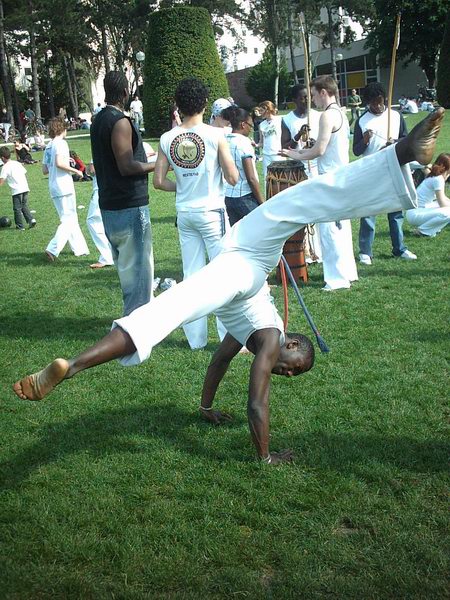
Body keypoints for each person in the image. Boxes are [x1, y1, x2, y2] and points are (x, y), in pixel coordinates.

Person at [12, 108, 445, 463]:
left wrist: (205, 408)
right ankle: (404, 151)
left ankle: (72, 365)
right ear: (292, 342)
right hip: (247, 263)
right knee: (303, 200)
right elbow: (256, 404)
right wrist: (265, 456)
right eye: (295, 363)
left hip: (238, 266)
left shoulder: (247, 334)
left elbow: (219, 364)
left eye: (291, 373)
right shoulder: (270, 338)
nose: (286, 370)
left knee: (170, 307)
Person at [154, 77, 238, 350]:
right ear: (204, 103)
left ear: (179, 104)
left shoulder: (168, 138)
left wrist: (182, 186)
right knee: (223, 275)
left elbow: (158, 181)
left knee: (192, 277)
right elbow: (233, 177)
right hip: (212, 211)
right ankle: (228, 335)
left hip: (186, 212)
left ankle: (196, 340)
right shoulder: (216, 135)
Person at [280, 75, 358, 291]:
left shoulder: (326, 116)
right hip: (341, 175)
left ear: (324, 92)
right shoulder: (341, 114)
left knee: (329, 229)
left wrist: (296, 154)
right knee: (342, 226)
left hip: (329, 177)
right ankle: (348, 272)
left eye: (313, 95)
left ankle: (336, 279)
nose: (312, 100)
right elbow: (321, 147)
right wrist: (301, 150)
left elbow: (319, 151)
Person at [90, 71, 156, 316]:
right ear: (126, 92)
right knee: (139, 272)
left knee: (128, 270)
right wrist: (159, 164)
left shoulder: (98, 120)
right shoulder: (119, 121)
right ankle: (134, 328)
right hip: (128, 204)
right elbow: (127, 166)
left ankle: (138, 318)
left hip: (109, 204)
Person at [353, 82, 417, 265]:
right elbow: (356, 151)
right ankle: (365, 251)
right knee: (369, 212)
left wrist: (395, 143)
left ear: (385, 99)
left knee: (396, 211)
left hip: (394, 168)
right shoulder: (362, 121)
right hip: (371, 170)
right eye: (374, 103)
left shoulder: (395, 116)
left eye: (380, 102)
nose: (378, 106)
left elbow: (406, 139)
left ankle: (399, 248)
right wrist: (365, 140)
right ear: (368, 102)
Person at [42, 118, 89, 261]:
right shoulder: (61, 143)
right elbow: (59, 163)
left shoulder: (48, 145)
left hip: (53, 185)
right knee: (68, 220)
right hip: (64, 185)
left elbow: (45, 169)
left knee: (70, 217)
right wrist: (76, 171)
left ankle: (80, 249)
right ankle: (52, 248)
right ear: (62, 129)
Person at [222, 106, 263, 226]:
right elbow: (250, 178)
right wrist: (261, 201)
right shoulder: (244, 142)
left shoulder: (224, 140)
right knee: (260, 229)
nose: (251, 129)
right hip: (244, 197)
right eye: (250, 125)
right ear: (243, 124)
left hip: (227, 196)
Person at [281, 83, 321, 178]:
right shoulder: (287, 119)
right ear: (294, 100)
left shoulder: (318, 116)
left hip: (318, 166)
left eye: (309, 97)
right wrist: (298, 135)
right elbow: (285, 148)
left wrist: (315, 143)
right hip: (298, 168)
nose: (307, 100)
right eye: (303, 98)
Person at [406, 152, 450, 236]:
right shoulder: (438, 179)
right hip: (415, 214)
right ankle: (422, 231)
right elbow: (442, 203)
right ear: (446, 167)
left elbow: (443, 197)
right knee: (448, 212)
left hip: (415, 211)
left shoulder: (435, 176)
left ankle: (432, 229)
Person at [85, 163, 114, 269]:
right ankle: (113, 254)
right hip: (112, 186)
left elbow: (91, 171)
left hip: (101, 188)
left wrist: (88, 167)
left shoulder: (98, 147)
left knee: (93, 220)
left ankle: (107, 257)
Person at [0, 146, 36, 229]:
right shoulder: (17, 163)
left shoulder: (5, 167)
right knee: (24, 205)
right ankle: (31, 220)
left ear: (2, 158)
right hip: (25, 187)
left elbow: (1, 181)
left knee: (17, 208)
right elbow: (24, 172)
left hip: (17, 190)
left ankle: (20, 226)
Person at [258, 100, 283, 180]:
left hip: (278, 154)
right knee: (267, 178)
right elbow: (261, 142)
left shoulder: (280, 120)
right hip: (266, 155)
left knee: (280, 177)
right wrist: (256, 145)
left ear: (267, 110)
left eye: (261, 110)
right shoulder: (261, 125)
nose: (260, 113)